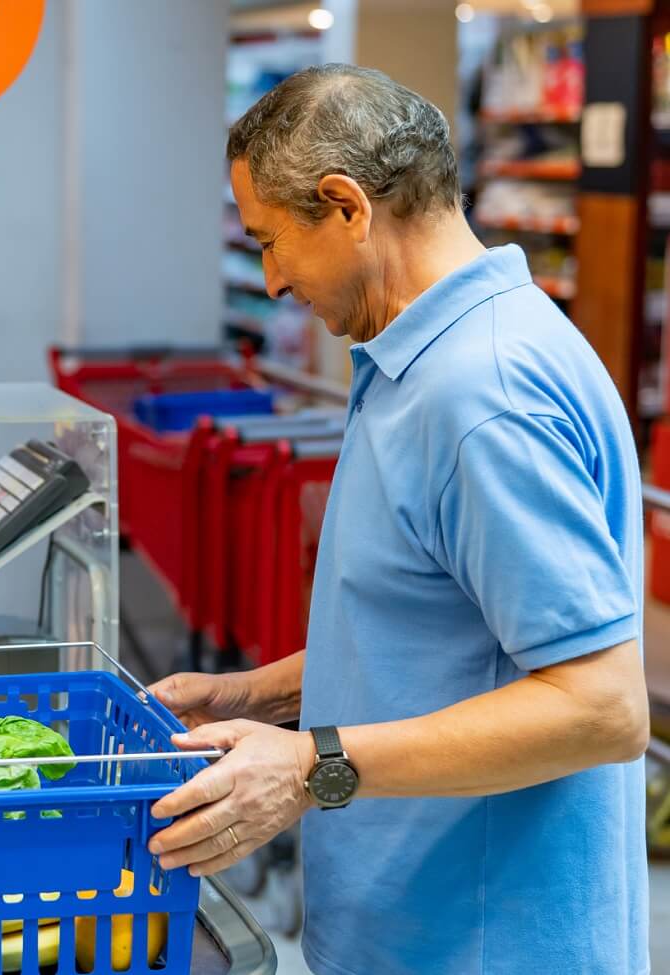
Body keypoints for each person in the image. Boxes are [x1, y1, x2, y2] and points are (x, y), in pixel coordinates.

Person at [147, 65, 649, 974]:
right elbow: (443, 632)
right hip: (409, 927)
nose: (267, 280)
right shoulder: (425, 358)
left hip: (486, 944)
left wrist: (306, 766)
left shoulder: (482, 393)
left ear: (346, 206)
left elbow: (601, 707)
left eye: (270, 242)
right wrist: (254, 696)